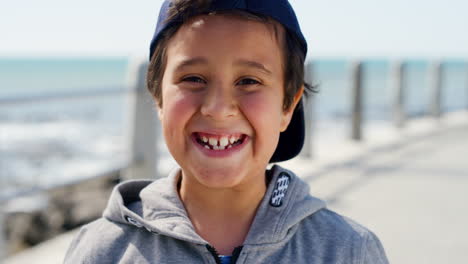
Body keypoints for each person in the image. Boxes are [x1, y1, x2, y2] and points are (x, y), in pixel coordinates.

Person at [64, 0, 389, 263]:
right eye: (193, 79)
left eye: (249, 81)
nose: (218, 109)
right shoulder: (103, 250)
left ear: (288, 106)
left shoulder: (347, 251)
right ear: (158, 98)